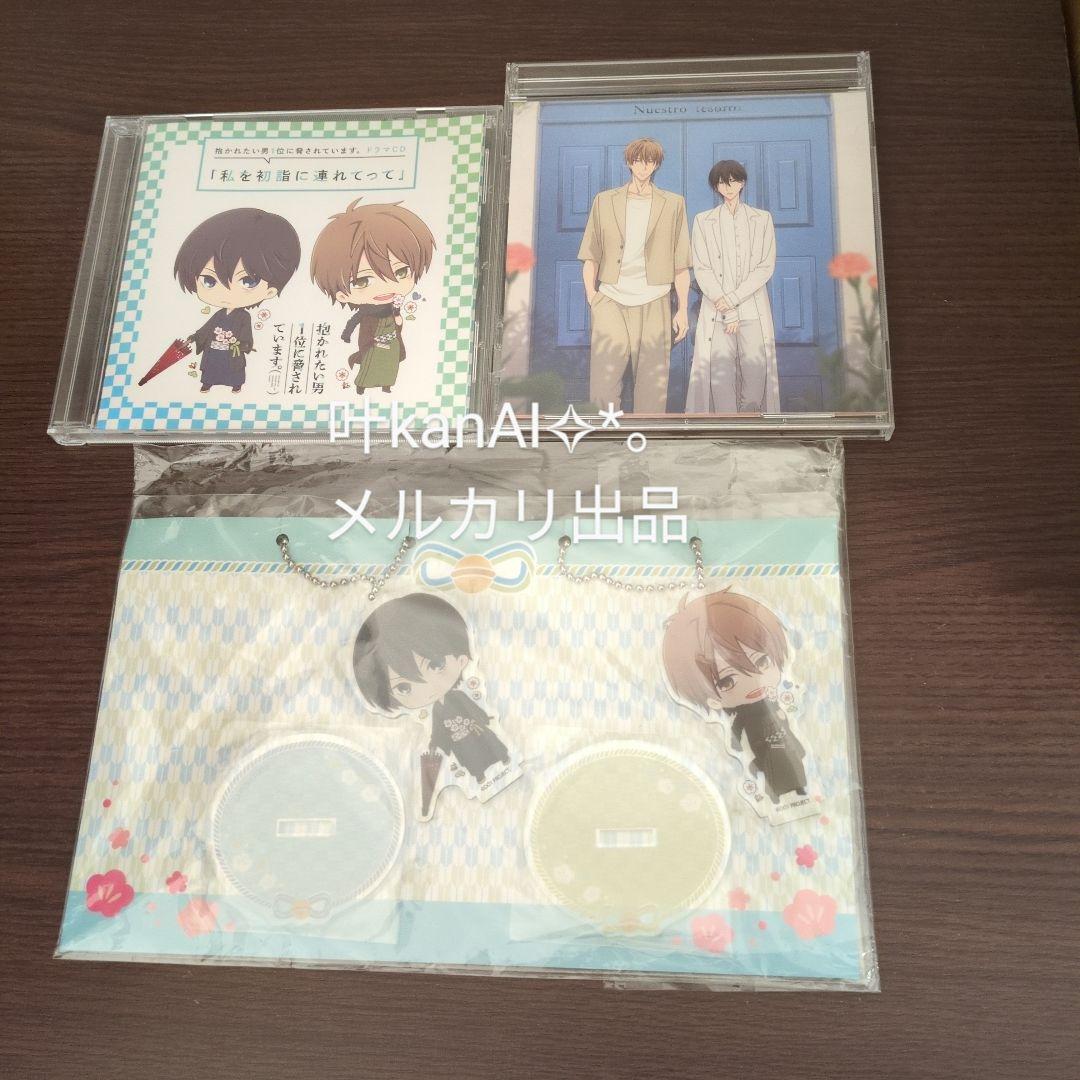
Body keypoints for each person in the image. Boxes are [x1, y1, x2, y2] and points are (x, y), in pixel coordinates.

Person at [662, 588, 807, 804]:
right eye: (727, 681)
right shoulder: (742, 716)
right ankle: (776, 795)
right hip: (760, 748)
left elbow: (784, 722)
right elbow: (736, 730)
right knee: (771, 769)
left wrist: (794, 741)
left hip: (781, 743)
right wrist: (736, 743)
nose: (752, 679)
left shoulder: (773, 703)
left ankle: (799, 789)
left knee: (790, 763)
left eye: (761, 661)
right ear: (712, 698)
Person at [578, 138, 691, 413]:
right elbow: (591, 255)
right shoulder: (604, 201)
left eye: (649, 161)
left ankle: (648, 439)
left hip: (655, 299)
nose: (643, 167)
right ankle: (604, 438)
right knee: (604, 384)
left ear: (656, 165)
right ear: (629, 162)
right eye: (638, 161)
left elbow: (681, 263)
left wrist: (682, 309)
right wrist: (593, 297)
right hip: (611, 299)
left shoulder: (673, 203)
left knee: (652, 387)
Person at [352, 593, 510, 785]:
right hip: (458, 741)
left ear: (461, 659)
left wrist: (484, 718)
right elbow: (437, 730)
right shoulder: (436, 711)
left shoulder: (459, 697)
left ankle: (504, 758)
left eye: (436, 665)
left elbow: (474, 709)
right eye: (404, 687)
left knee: (490, 745)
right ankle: (479, 775)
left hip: (476, 729)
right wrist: (436, 744)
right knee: (470, 759)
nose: (427, 687)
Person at [310, 199, 435, 395]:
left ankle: (387, 386)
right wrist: (346, 335)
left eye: (401, 272)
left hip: (391, 342)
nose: (386, 285)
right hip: (372, 342)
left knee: (390, 363)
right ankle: (361, 387)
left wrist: (398, 318)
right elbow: (354, 320)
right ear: (342, 295)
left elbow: (397, 320)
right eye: (362, 281)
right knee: (370, 363)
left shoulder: (392, 304)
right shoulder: (366, 312)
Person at [685, 160, 780, 414]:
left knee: (756, 375)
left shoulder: (762, 219)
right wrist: (727, 308)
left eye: (733, 181)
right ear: (715, 187)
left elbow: (765, 267)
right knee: (720, 377)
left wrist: (733, 299)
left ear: (742, 183)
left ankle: (751, 429)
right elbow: (702, 269)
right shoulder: (703, 221)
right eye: (721, 183)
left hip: (752, 311)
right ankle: (725, 428)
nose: (728, 187)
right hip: (717, 314)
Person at [173, 208, 301, 393]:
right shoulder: (219, 314)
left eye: (248, 281)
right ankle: (208, 383)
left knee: (233, 369)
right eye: (209, 280)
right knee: (211, 366)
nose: (226, 291)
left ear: (270, 290)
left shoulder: (243, 317)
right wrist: (194, 337)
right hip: (214, 350)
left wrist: (243, 344)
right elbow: (206, 329)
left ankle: (236, 384)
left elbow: (246, 336)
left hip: (231, 351)